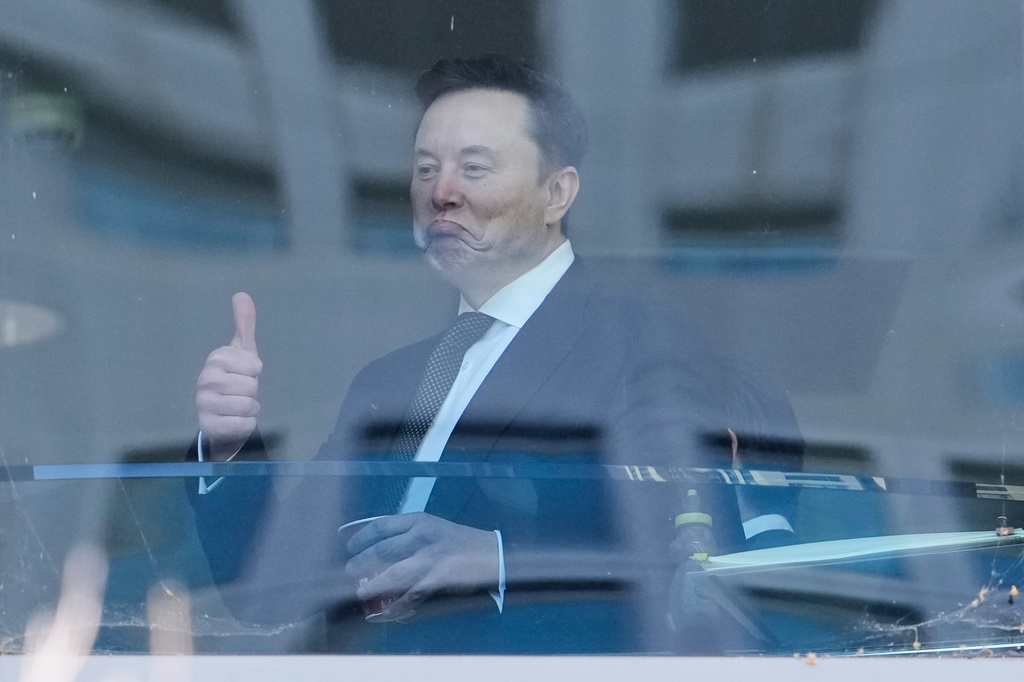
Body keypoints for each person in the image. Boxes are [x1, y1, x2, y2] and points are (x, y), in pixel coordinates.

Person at [188, 54, 801, 654]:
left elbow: (694, 557)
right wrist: (230, 443)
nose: (442, 193)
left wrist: (500, 561)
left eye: (474, 168)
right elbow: (266, 593)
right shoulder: (390, 380)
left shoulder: (643, 344)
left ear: (557, 193)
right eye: (426, 169)